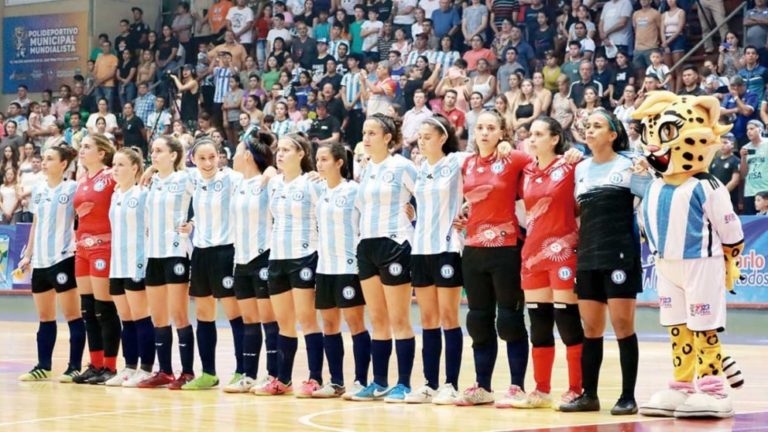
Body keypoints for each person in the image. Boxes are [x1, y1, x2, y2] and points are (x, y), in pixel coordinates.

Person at [560, 109, 640, 415]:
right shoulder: (580, 168)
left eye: (598, 126)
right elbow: (576, 213)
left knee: (622, 326)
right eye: (587, 126)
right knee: (591, 327)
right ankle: (589, 395)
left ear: (613, 134)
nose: (590, 130)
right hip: (589, 254)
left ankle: (627, 397)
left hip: (620, 253)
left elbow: (652, 187)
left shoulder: (630, 164)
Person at [453, 109, 530, 407]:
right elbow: (470, 200)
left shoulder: (513, 159)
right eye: (480, 128)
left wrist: (516, 148)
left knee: (509, 320)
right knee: (478, 320)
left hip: (506, 248)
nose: (484, 132)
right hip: (473, 250)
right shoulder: (468, 164)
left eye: (491, 128)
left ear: (502, 133)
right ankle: (482, 386)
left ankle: (516, 387)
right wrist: (463, 213)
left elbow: (544, 162)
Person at [511, 117, 584, 409]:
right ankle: (541, 390)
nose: (532, 138)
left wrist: (579, 154)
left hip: (563, 252)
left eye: (539, 134)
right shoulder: (525, 169)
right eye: (530, 134)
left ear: (555, 139)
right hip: (532, 254)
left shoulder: (570, 165)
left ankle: (576, 389)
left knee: (567, 322)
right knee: (539, 325)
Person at [250, 132, 324, 397]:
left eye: (286, 150)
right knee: (284, 322)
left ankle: (315, 378)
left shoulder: (312, 182)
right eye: (278, 150)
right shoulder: (274, 183)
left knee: (307, 319)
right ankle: (282, 379)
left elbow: (327, 215)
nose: (280, 154)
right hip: (277, 258)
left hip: (304, 257)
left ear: (301, 154)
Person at [350, 113, 417, 402]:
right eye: (364, 133)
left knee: (399, 318)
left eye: (372, 133)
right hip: (367, 246)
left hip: (394, 244)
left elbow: (425, 196)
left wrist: (415, 212)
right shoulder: (365, 169)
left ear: (388, 137)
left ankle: (404, 384)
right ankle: (378, 382)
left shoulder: (402, 166)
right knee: (377, 319)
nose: (365, 138)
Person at [403, 115, 468, 405]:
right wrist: (414, 216)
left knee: (448, 317)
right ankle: (429, 383)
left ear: (443, 138)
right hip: (420, 250)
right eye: (420, 136)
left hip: (447, 248)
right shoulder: (419, 170)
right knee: (427, 319)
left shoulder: (457, 161)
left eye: (428, 135)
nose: (422, 140)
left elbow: (487, 169)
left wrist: (469, 209)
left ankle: (450, 384)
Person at [177, 138, 246, 390]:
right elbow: (167, 170)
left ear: (220, 157)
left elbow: (259, 175)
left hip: (226, 252)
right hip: (201, 254)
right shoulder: (191, 179)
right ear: (193, 160)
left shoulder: (231, 179)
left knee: (233, 313)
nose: (208, 163)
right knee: (204, 315)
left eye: (212, 157)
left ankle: (242, 370)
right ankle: (208, 373)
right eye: (202, 158)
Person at [16, 146, 85, 383]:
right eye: (43, 158)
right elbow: (36, 223)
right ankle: (43, 366)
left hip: (63, 258)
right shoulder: (38, 190)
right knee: (45, 317)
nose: (44, 163)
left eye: (50, 159)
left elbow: (83, 217)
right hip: (40, 262)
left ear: (63, 164)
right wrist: (28, 255)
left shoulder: (73, 188)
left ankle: (74, 366)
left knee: (73, 315)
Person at [310, 142, 371, 398]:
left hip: (349, 267)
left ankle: (360, 381)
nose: (319, 164)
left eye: (324, 159)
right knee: (329, 324)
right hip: (325, 267)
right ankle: (336, 382)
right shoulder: (318, 191)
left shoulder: (354, 190)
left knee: (355, 322)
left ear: (339, 162)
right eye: (317, 159)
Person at [136, 136, 196, 390]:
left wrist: (193, 224)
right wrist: (149, 172)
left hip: (176, 252)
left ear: (173, 155)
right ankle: (165, 371)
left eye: (159, 151)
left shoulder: (186, 179)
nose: (154, 155)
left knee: (179, 314)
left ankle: (188, 372)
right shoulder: (151, 183)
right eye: (152, 151)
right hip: (154, 254)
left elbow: (204, 204)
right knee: (158, 317)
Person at [224, 132, 280, 393]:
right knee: (249, 319)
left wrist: (271, 169)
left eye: (235, 152)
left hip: (263, 256)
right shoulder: (236, 183)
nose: (231, 156)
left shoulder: (268, 182)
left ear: (247, 156)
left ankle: (274, 375)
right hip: (241, 258)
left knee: (269, 319)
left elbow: (279, 175)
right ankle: (248, 374)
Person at [71, 135, 120, 385]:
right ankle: (96, 364)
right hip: (82, 249)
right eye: (81, 146)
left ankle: (110, 367)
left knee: (104, 308)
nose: (82, 150)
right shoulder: (81, 180)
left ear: (102, 153)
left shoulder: (111, 175)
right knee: (87, 309)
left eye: (87, 147)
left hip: (104, 246)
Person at [104, 148, 155, 386]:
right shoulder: (116, 195)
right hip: (117, 265)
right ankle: (129, 367)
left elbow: (150, 228)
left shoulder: (143, 193)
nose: (115, 168)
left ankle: (146, 368)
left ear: (135, 168)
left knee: (140, 316)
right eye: (114, 164)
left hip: (137, 263)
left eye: (121, 164)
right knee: (126, 318)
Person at [740, 120, 768, 215]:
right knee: (752, 224)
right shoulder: (745, 148)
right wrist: (743, 158)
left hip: (765, 189)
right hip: (750, 191)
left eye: (752, 129)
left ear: (760, 129)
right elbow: (743, 174)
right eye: (747, 129)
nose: (749, 131)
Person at [709, 133, 742, 209]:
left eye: (725, 143)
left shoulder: (735, 160)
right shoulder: (714, 161)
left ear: (732, 144)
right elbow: (710, 178)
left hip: (729, 198)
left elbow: (735, 181)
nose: (722, 145)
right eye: (720, 143)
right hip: (714, 197)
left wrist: (721, 192)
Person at [170, 65, 200, 133]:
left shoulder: (193, 82)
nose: (185, 72)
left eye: (187, 70)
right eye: (184, 70)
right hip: (184, 114)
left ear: (192, 71)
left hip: (191, 115)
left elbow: (181, 88)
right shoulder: (185, 83)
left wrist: (175, 78)